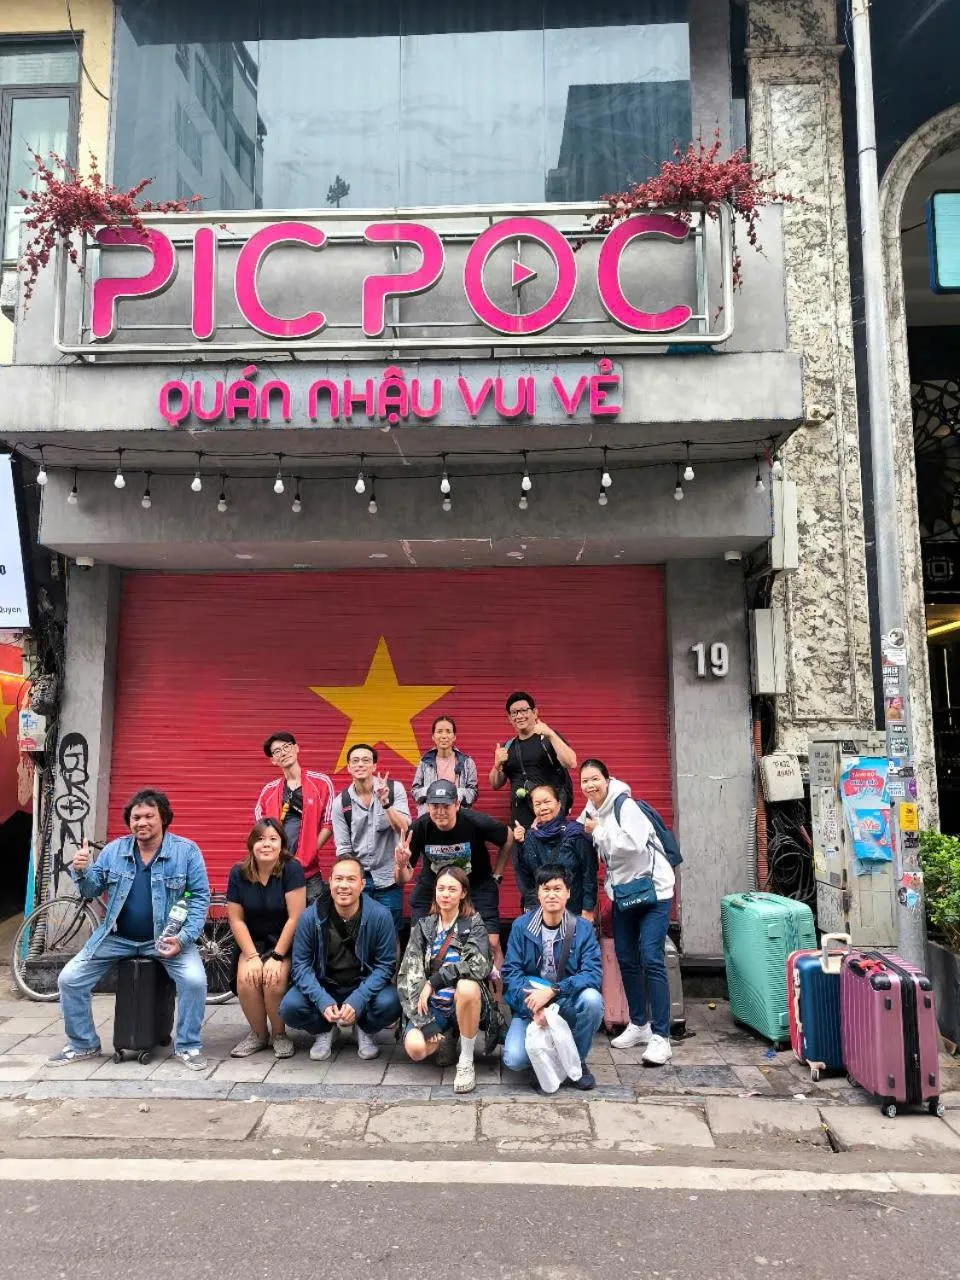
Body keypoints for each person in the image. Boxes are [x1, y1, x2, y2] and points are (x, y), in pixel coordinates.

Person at [49, 788, 210, 1070]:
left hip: (166, 938)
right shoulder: (114, 851)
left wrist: (183, 939)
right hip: (116, 937)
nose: (142, 822)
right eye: (136, 817)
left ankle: (188, 1045)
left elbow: (199, 898)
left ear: (163, 819)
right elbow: (91, 889)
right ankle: (82, 1044)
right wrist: (81, 870)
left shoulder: (186, 851)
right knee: (69, 979)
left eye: (149, 816)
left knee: (194, 982)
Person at [579, 757, 676, 1066]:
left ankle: (662, 1037)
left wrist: (598, 832)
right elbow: (582, 831)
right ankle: (639, 1024)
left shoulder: (625, 806)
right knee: (626, 957)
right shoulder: (593, 810)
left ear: (607, 780)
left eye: (595, 779)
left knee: (651, 956)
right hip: (624, 894)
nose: (590, 785)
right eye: (584, 781)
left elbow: (632, 845)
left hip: (654, 892)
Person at [279, 855, 402, 1061]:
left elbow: (385, 966)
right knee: (289, 1007)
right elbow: (300, 966)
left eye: (351, 879)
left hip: (362, 984)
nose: (343, 885)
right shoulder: (310, 917)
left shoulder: (380, 916)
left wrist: (358, 1000)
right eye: (338, 879)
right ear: (330, 881)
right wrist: (322, 1000)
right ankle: (325, 1029)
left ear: (362, 884)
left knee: (392, 1002)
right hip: (325, 984)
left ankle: (364, 1028)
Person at [501, 863, 603, 1090]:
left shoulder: (583, 929)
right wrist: (535, 1007)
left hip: (565, 1000)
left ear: (568, 893)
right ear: (538, 893)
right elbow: (511, 973)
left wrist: (555, 991)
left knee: (593, 1001)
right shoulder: (521, 926)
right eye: (546, 889)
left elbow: (592, 974)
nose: (551, 895)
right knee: (514, 1059)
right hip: (531, 1002)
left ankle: (577, 1061)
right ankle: (545, 1058)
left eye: (557, 889)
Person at [395, 779, 512, 966]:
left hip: (476, 885)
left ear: (457, 804)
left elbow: (508, 836)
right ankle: (421, 991)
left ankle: (497, 994)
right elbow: (402, 880)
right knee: (418, 942)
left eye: (446, 806)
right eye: (434, 806)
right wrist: (400, 865)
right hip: (434, 888)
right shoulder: (419, 828)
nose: (440, 812)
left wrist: (497, 874)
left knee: (492, 943)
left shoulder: (475, 821)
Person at [397, 867, 492, 1094]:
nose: (446, 894)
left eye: (452, 889)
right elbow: (408, 975)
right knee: (416, 1048)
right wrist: (425, 1022)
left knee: (467, 986)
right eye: (441, 889)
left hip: (466, 1003)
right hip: (434, 1006)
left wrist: (436, 980)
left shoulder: (474, 924)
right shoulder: (425, 926)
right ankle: (446, 1035)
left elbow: (478, 965)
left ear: (463, 893)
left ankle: (466, 1060)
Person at [225, 818, 306, 1059]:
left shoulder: (292, 869)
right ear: (251, 844)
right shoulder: (238, 873)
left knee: (273, 979)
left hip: (285, 942)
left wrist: (277, 956)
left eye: (273, 839)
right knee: (247, 979)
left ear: (282, 845)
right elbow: (236, 919)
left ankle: (280, 1034)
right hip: (253, 942)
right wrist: (250, 956)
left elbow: (295, 917)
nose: (266, 844)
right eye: (260, 839)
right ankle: (258, 1035)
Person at [331, 743, 410, 933]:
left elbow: (404, 827)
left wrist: (385, 803)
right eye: (355, 761)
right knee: (359, 931)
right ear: (348, 767)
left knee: (390, 933)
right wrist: (353, 879)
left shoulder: (393, 788)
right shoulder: (341, 802)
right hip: (360, 879)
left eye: (366, 760)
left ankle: (390, 965)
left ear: (374, 766)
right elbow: (343, 848)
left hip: (389, 877)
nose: (360, 765)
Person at [255, 732, 334, 907]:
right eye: (276, 751)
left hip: (309, 872)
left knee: (314, 923)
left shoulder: (321, 782)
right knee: (279, 924)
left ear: (296, 748)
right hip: (276, 872)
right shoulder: (269, 791)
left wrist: (308, 854)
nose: (283, 752)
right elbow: (261, 831)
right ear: (273, 760)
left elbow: (328, 824)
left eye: (286, 746)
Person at [488, 691, 577, 830]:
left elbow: (571, 762)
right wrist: (497, 764)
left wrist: (551, 734)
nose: (519, 716)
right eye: (514, 713)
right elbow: (495, 784)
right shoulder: (508, 746)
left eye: (524, 710)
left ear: (535, 713)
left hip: (548, 815)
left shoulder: (548, 738)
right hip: (520, 821)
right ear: (509, 718)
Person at [512, 782, 598, 919]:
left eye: (547, 802)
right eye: (538, 804)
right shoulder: (530, 836)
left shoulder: (576, 833)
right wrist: (519, 844)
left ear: (558, 803)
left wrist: (588, 909)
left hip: (574, 912)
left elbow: (589, 873)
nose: (543, 807)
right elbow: (525, 875)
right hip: (542, 913)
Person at [411, 715, 478, 815]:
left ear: (454, 736)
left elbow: (474, 793)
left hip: (458, 817)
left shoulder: (467, 762)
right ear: (433, 736)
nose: (444, 736)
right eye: (439, 731)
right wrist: (431, 791)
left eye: (448, 731)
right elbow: (415, 792)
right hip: (430, 816)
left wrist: (458, 793)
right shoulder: (425, 762)